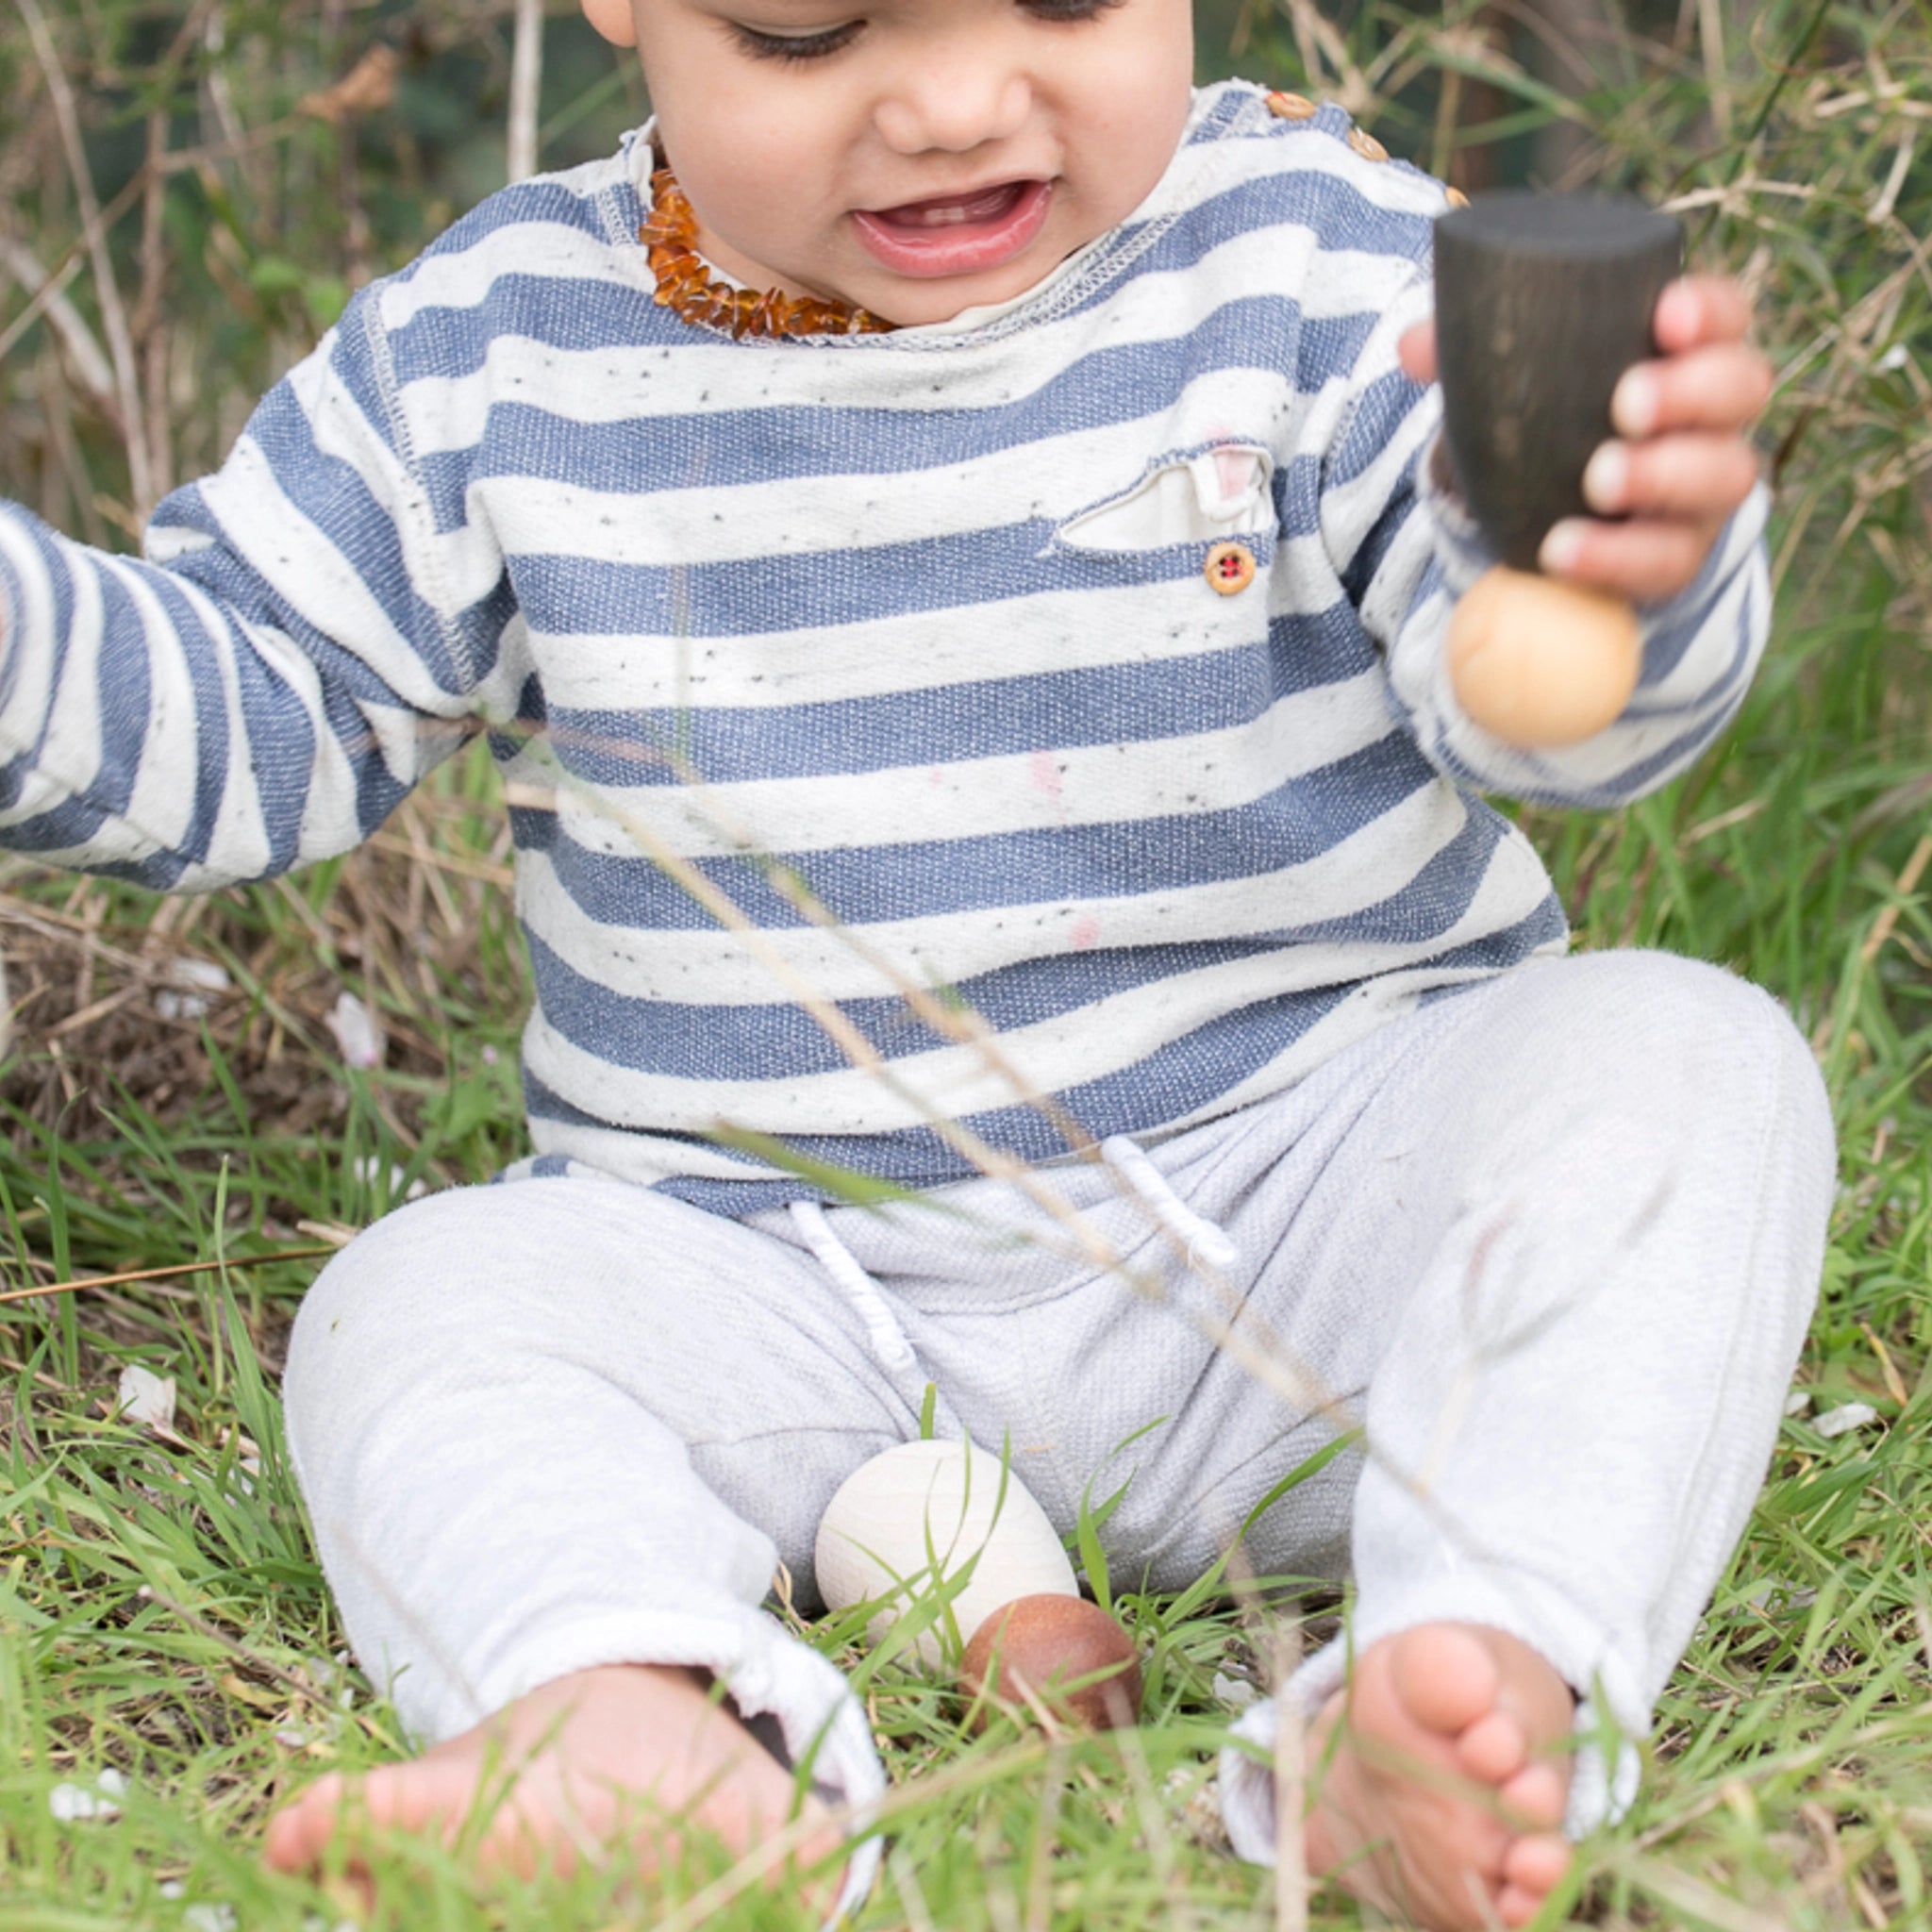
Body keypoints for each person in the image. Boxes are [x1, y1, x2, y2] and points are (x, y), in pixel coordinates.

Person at [0, 0, 1832, 1925]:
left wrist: (1610, 567)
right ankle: (634, 1706)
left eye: (1060, 1)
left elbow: (1535, 713)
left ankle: (1468, 1677)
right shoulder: (483, 356)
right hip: (782, 1299)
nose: (959, 102)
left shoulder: (1311, 258)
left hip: (1305, 1240)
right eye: (805, 33)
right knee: (430, 1295)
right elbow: (241, 716)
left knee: (1679, 1057)